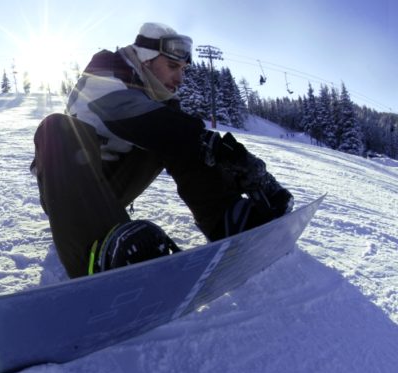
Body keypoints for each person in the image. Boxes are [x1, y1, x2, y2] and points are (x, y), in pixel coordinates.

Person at [31, 22, 294, 278]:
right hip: (67, 193)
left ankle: (228, 218)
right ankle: (98, 255)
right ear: (146, 60)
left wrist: (228, 161)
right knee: (56, 128)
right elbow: (126, 111)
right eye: (172, 66)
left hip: (111, 189)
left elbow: (177, 134)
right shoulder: (104, 70)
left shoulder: (160, 102)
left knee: (181, 137)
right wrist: (204, 140)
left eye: (183, 69)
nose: (180, 78)